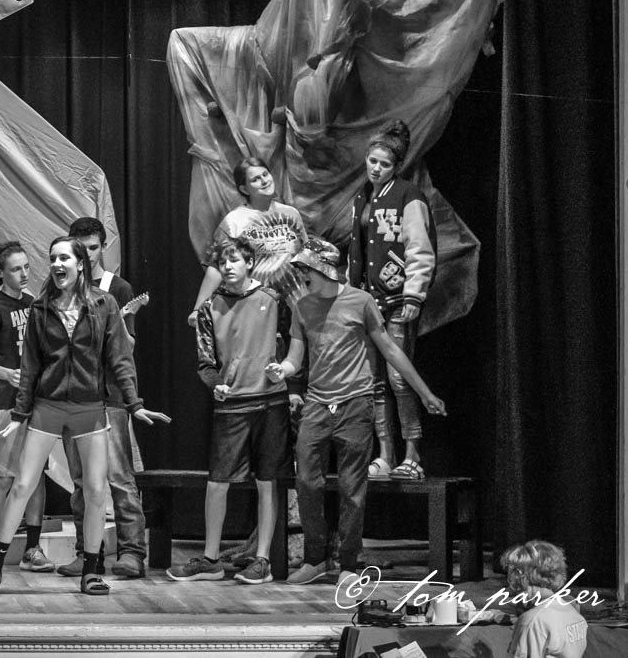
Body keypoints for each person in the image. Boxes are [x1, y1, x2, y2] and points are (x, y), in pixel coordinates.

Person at [0, 236, 170, 596]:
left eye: (64, 258)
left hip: (90, 408)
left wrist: (134, 404)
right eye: (52, 258)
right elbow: (30, 365)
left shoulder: (104, 304)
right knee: (22, 485)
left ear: (81, 264)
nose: (57, 264)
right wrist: (19, 414)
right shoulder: (41, 307)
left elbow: (120, 358)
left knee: (95, 490)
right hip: (47, 406)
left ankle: (91, 570)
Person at [274, 237, 445, 588]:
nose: (302, 276)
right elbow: (295, 357)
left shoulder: (361, 301)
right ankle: (315, 559)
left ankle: (349, 563)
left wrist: (424, 392)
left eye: (306, 269)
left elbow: (390, 350)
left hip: (355, 403)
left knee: (352, 487)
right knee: (306, 482)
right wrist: (283, 370)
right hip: (318, 404)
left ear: (323, 268)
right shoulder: (302, 306)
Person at [166, 238, 291, 585]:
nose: (228, 267)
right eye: (223, 262)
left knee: (267, 480)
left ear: (250, 263)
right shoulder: (210, 308)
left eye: (234, 260)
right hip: (232, 403)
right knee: (217, 481)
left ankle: (262, 559)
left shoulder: (273, 298)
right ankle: (211, 559)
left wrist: (286, 375)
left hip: (271, 402)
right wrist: (216, 384)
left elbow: (293, 342)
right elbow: (205, 362)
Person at [346, 120, 438, 482]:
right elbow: (357, 250)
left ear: (397, 166)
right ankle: (385, 454)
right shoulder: (362, 197)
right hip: (367, 302)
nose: (376, 168)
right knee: (375, 382)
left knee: (400, 378)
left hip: (398, 299)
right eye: (372, 161)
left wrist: (415, 292)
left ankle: (412, 454)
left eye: (384, 164)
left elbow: (420, 247)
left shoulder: (408, 195)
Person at [61, 217, 150, 579]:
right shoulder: (64, 287)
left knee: (118, 477)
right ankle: (88, 552)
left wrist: (121, 321)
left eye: (94, 248)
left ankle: (132, 552)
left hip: (109, 396)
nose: (88, 255)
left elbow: (128, 348)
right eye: (80, 249)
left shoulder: (118, 288)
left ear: (103, 247)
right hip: (73, 397)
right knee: (81, 481)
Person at [0, 240, 52, 574]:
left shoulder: (35, 305)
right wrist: (7, 373)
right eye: (15, 269)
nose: (23, 274)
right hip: (4, 404)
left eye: (26, 267)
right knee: (2, 478)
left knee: (34, 477)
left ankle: (33, 548)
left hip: (36, 404)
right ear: (0, 272)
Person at [188, 157, 308, 323]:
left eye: (265, 174)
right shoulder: (234, 222)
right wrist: (198, 309)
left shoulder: (292, 214)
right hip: (259, 308)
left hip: (298, 305)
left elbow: (306, 259)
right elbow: (216, 267)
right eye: (255, 179)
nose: (264, 181)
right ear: (244, 189)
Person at [500, 540, 589, 658]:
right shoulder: (573, 613)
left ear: (522, 577)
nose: (511, 586)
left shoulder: (532, 621)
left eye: (511, 577)